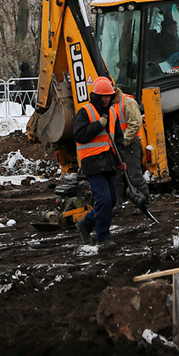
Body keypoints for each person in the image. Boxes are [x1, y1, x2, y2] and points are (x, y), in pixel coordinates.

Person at [73, 76, 124, 251]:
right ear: (96, 96)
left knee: (111, 200)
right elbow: (80, 135)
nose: (107, 99)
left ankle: (86, 224)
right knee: (103, 199)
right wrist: (97, 125)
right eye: (104, 96)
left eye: (109, 96)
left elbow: (118, 139)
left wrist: (120, 161)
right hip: (93, 163)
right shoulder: (85, 112)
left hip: (108, 162)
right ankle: (103, 237)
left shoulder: (112, 113)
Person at [113, 86, 150, 204]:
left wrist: (122, 141)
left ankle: (144, 203)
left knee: (134, 176)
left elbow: (135, 124)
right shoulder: (107, 105)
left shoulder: (127, 102)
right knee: (116, 177)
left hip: (130, 145)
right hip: (116, 146)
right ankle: (117, 204)